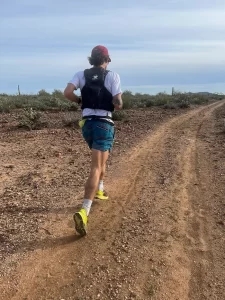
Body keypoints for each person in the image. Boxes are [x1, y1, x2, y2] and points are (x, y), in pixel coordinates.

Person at [64, 45, 123, 236]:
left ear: (92, 59)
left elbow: (67, 92)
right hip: (104, 124)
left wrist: (80, 102)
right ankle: (84, 211)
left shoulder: (81, 74)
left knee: (102, 159)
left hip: (87, 125)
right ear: (106, 60)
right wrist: (117, 103)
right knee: (96, 168)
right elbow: (118, 103)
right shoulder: (112, 76)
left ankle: (100, 189)